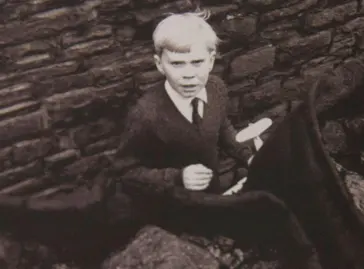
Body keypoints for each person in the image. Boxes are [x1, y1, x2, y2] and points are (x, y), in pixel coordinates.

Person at [114, 10, 323, 269]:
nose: (188, 74)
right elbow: (125, 172)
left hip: (211, 191)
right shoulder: (146, 114)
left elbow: (221, 126)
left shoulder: (216, 89)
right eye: (177, 64)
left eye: (197, 62)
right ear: (159, 64)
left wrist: (246, 155)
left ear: (211, 61)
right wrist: (177, 177)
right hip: (173, 205)